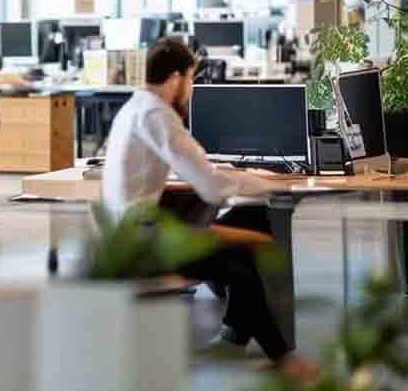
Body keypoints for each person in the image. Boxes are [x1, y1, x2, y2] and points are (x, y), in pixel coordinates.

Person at [101, 37, 316, 377]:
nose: (190, 89)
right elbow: (212, 187)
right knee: (244, 256)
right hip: (144, 244)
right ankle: (283, 359)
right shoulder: (158, 114)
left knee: (251, 216)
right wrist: (273, 185)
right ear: (175, 78)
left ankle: (236, 336)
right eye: (191, 79)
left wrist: (247, 183)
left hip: (132, 232)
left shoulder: (134, 108)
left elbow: (200, 176)